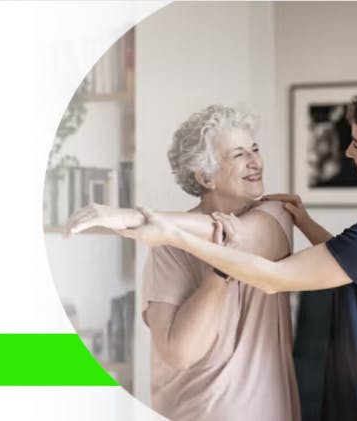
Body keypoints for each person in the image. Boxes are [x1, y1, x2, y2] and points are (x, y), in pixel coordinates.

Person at [109, 84, 357, 421]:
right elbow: (356, 261)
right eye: (239, 154)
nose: (347, 150)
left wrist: (172, 233)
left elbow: (274, 278)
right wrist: (304, 222)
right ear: (204, 176)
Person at [66, 105, 300, 421]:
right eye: (238, 155)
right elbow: (181, 353)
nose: (255, 162)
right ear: (205, 176)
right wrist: (217, 274)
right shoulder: (168, 246)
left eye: (254, 149)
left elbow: (239, 235)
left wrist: (136, 217)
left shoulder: (277, 215)